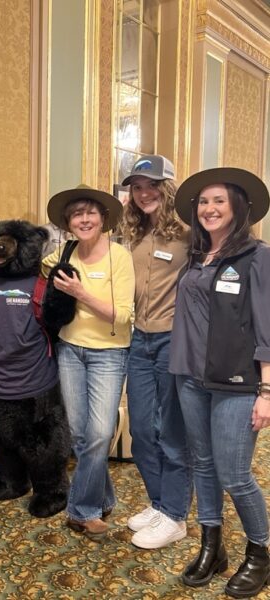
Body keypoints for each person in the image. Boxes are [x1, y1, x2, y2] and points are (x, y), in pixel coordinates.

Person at [169, 167, 270, 598]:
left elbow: (267, 325)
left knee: (234, 473)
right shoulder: (195, 257)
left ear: (237, 208)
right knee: (203, 464)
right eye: (203, 203)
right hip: (190, 376)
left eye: (219, 201)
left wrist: (267, 391)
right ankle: (213, 546)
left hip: (237, 381)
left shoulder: (257, 255)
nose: (209, 209)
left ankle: (260, 553)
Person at [42, 185, 134, 537]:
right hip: (70, 351)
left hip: (108, 354)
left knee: (98, 434)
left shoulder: (119, 257)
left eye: (90, 212)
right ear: (68, 222)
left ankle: (82, 510)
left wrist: (80, 293)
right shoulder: (64, 253)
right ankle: (104, 497)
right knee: (81, 435)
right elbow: (42, 268)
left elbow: (122, 316)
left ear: (104, 218)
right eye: (76, 213)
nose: (83, 219)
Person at [120, 155, 192, 549]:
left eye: (151, 185)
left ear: (168, 187)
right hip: (138, 341)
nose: (144, 193)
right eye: (136, 186)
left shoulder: (189, 231)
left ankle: (176, 515)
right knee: (141, 430)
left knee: (172, 432)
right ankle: (159, 503)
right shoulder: (133, 233)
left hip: (173, 341)